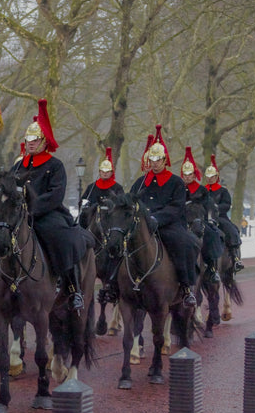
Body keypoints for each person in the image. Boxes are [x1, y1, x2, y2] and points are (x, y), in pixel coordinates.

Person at [103, 127, 199, 306]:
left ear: (164, 160)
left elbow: (176, 207)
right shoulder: (140, 183)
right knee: (117, 243)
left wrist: (157, 218)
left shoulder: (176, 182)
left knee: (185, 243)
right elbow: (130, 203)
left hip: (168, 225)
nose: (154, 163)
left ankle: (186, 287)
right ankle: (111, 285)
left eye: (158, 160)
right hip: (141, 225)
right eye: (152, 159)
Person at [10, 100, 89, 311]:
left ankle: (73, 288)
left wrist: (32, 208)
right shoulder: (18, 166)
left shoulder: (55, 166)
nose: (31, 143)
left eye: (35, 140)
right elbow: (6, 189)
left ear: (44, 141)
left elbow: (56, 195)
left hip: (46, 214)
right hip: (18, 216)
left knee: (63, 238)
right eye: (28, 139)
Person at [182, 148, 224, 285]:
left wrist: (211, 220)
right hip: (183, 221)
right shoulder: (179, 189)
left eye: (190, 174)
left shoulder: (202, 190)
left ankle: (212, 268)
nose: (187, 177)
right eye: (185, 175)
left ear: (194, 175)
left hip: (199, 221)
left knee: (212, 236)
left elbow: (209, 206)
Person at [204, 156, 244, 272]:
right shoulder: (202, 190)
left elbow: (226, 205)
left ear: (216, 177)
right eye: (208, 177)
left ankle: (235, 257)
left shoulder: (223, 191)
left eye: (212, 177)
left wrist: (215, 208)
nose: (210, 179)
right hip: (205, 217)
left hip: (220, 217)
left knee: (231, 230)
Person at [78, 147, 123, 229]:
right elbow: (83, 201)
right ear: (99, 172)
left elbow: (121, 205)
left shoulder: (117, 188)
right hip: (92, 219)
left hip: (111, 221)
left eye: (107, 172)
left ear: (111, 173)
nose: (105, 174)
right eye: (103, 171)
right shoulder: (92, 187)